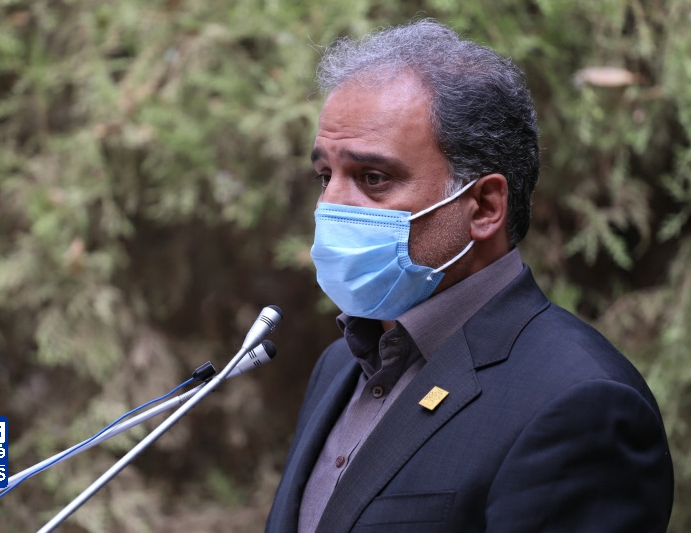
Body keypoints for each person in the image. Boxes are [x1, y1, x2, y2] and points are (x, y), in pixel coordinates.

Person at [265, 19, 674, 533]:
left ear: (483, 207)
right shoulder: (341, 363)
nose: (331, 205)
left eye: (373, 178)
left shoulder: (579, 400)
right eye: (325, 176)